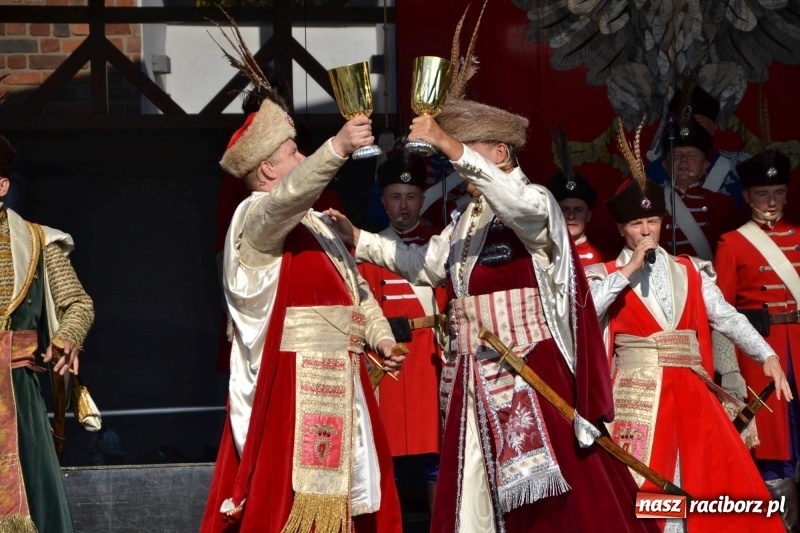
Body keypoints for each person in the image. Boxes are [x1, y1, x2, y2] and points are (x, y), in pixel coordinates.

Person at [326, 101, 658, 532]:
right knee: (473, 491)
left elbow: (517, 205)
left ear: (499, 154)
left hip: (528, 370)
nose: (456, 167)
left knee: (555, 495)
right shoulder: (467, 217)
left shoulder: (537, 203)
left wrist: (445, 141)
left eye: (465, 153)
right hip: (471, 375)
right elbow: (426, 264)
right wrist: (359, 239)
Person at [200, 97, 404, 533]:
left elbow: (356, 288)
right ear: (268, 170)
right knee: (288, 503)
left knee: (359, 495)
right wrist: (338, 147)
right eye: (294, 153)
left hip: (343, 375)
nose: (304, 158)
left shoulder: (315, 222)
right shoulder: (256, 217)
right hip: (294, 385)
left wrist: (380, 336)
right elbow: (285, 201)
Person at [585, 128, 790, 531]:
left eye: (652, 221)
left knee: (704, 487)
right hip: (636, 397)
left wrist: (765, 354)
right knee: (645, 491)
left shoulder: (689, 270)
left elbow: (727, 316)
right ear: (621, 229)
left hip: (692, 392)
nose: (646, 231)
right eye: (637, 224)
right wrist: (627, 270)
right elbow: (585, 317)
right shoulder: (603, 275)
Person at [0, 135, 95, 532]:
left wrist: (69, 335)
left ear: (2, 185)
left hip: (17, 388)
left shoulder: (39, 242)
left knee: (32, 489)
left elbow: (78, 302)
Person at [357, 148, 447, 512]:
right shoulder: (367, 248)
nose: (404, 206)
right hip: (389, 364)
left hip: (429, 361)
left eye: (411, 197)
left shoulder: (440, 244)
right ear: (384, 200)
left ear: (423, 199)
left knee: (436, 460)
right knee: (386, 457)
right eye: (396, 197)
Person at [715, 149, 800, 531]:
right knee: (773, 451)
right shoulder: (732, 243)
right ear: (747, 196)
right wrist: (730, 372)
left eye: (778, 192)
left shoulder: (799, 236)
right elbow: (722, 317)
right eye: (763, 193)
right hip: (761, 360)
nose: (771, 202)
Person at [656, 114, 745, 260]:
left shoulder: (724, 205)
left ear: (705, 166)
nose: (684, 161)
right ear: (665, 166)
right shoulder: (653, 203)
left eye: (691, 156)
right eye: (677, 155)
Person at [647, 84, 749, 208]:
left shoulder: (739, 165)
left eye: (698, 122)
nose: (691, 127)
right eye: (684, 123)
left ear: (714, 126)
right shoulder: (654, 170)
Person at [546, 170, 604, 267]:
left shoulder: (604, 261)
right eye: (564, 209)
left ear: (588, 215)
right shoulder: (542, 257)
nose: (571, 216)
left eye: (578, 209)